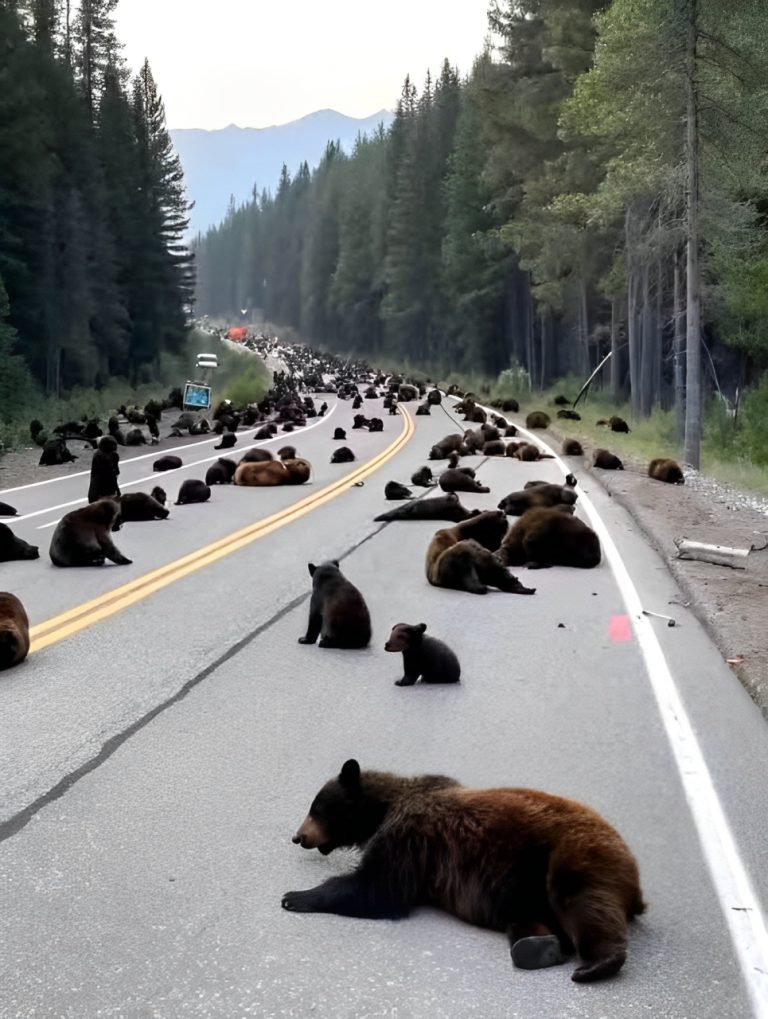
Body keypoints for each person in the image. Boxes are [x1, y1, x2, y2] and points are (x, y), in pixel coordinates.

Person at [88, 435, 121, 503]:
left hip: (105, 491)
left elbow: (115, 474)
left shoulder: (112, 456)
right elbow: (113, 474)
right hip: (102, 493)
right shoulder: (100, 457)